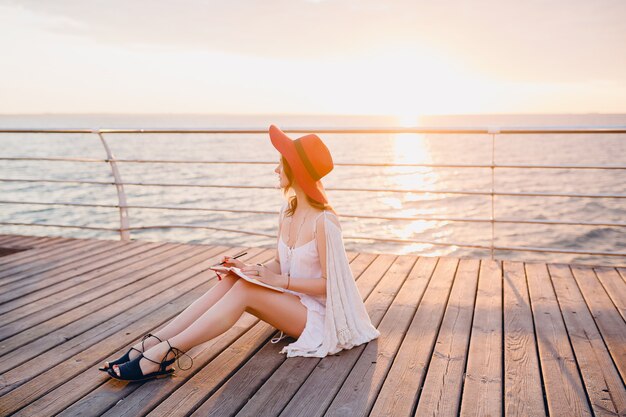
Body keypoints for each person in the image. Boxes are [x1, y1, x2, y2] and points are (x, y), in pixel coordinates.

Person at [101, 124, 380, 381]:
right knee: (236, 281)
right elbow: (281, 264)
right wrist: (245, 269)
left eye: (280, 164)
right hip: (294, 303)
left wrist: (277, 282)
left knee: (247, 291)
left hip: (322, 318)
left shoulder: (325, 221)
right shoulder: (288, 211)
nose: (275, 170)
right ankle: (149, 344)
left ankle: (162, 354)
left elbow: (332, 286)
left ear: (296, 170)